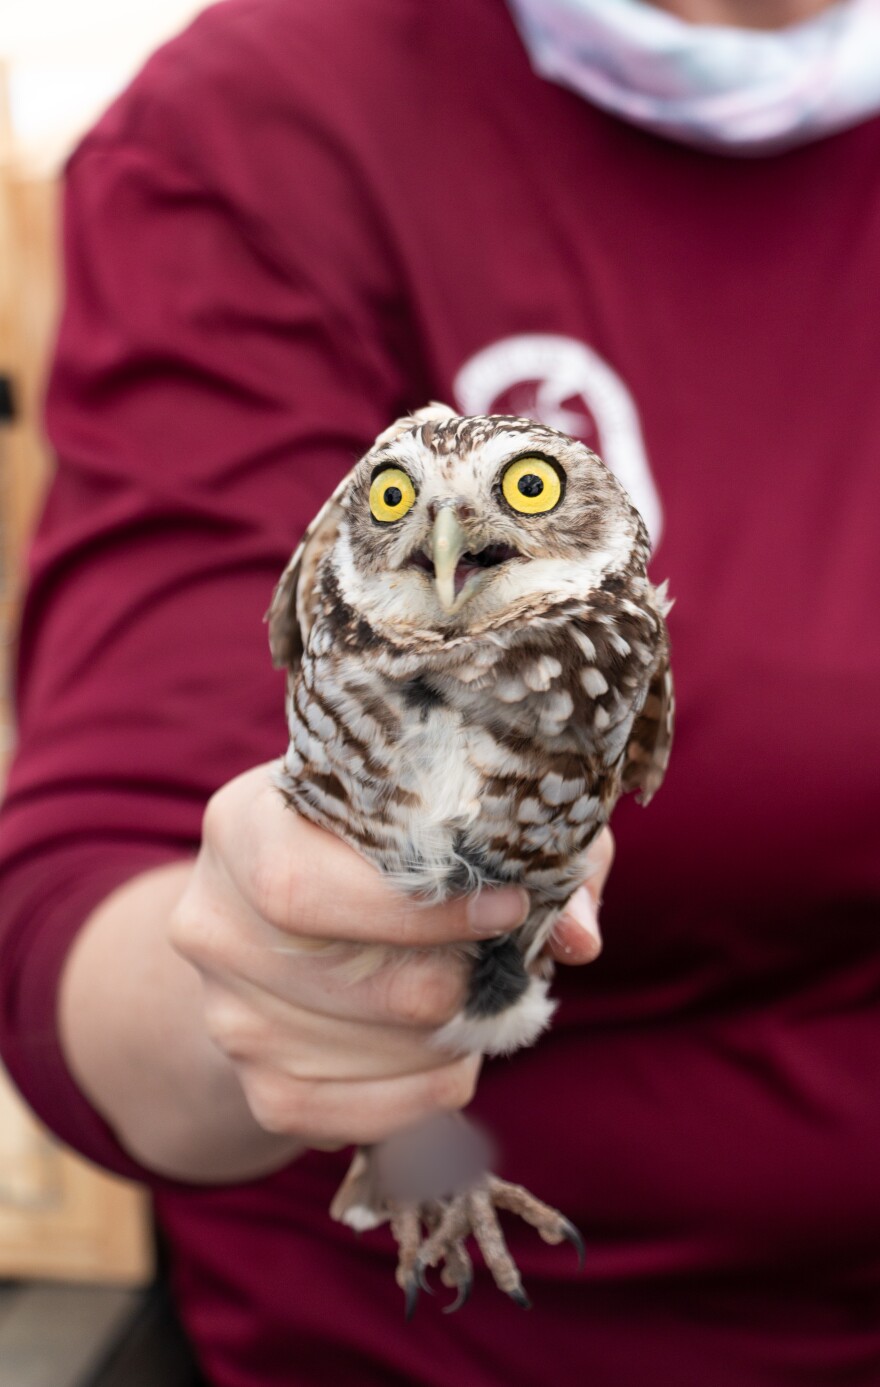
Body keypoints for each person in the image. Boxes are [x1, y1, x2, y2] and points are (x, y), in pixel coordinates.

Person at [2, 0, 879, 1382]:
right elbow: (96, 872)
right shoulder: (270, 117)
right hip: (447, 1338)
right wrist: (284, 985)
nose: (462, 541)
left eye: (529, 493)